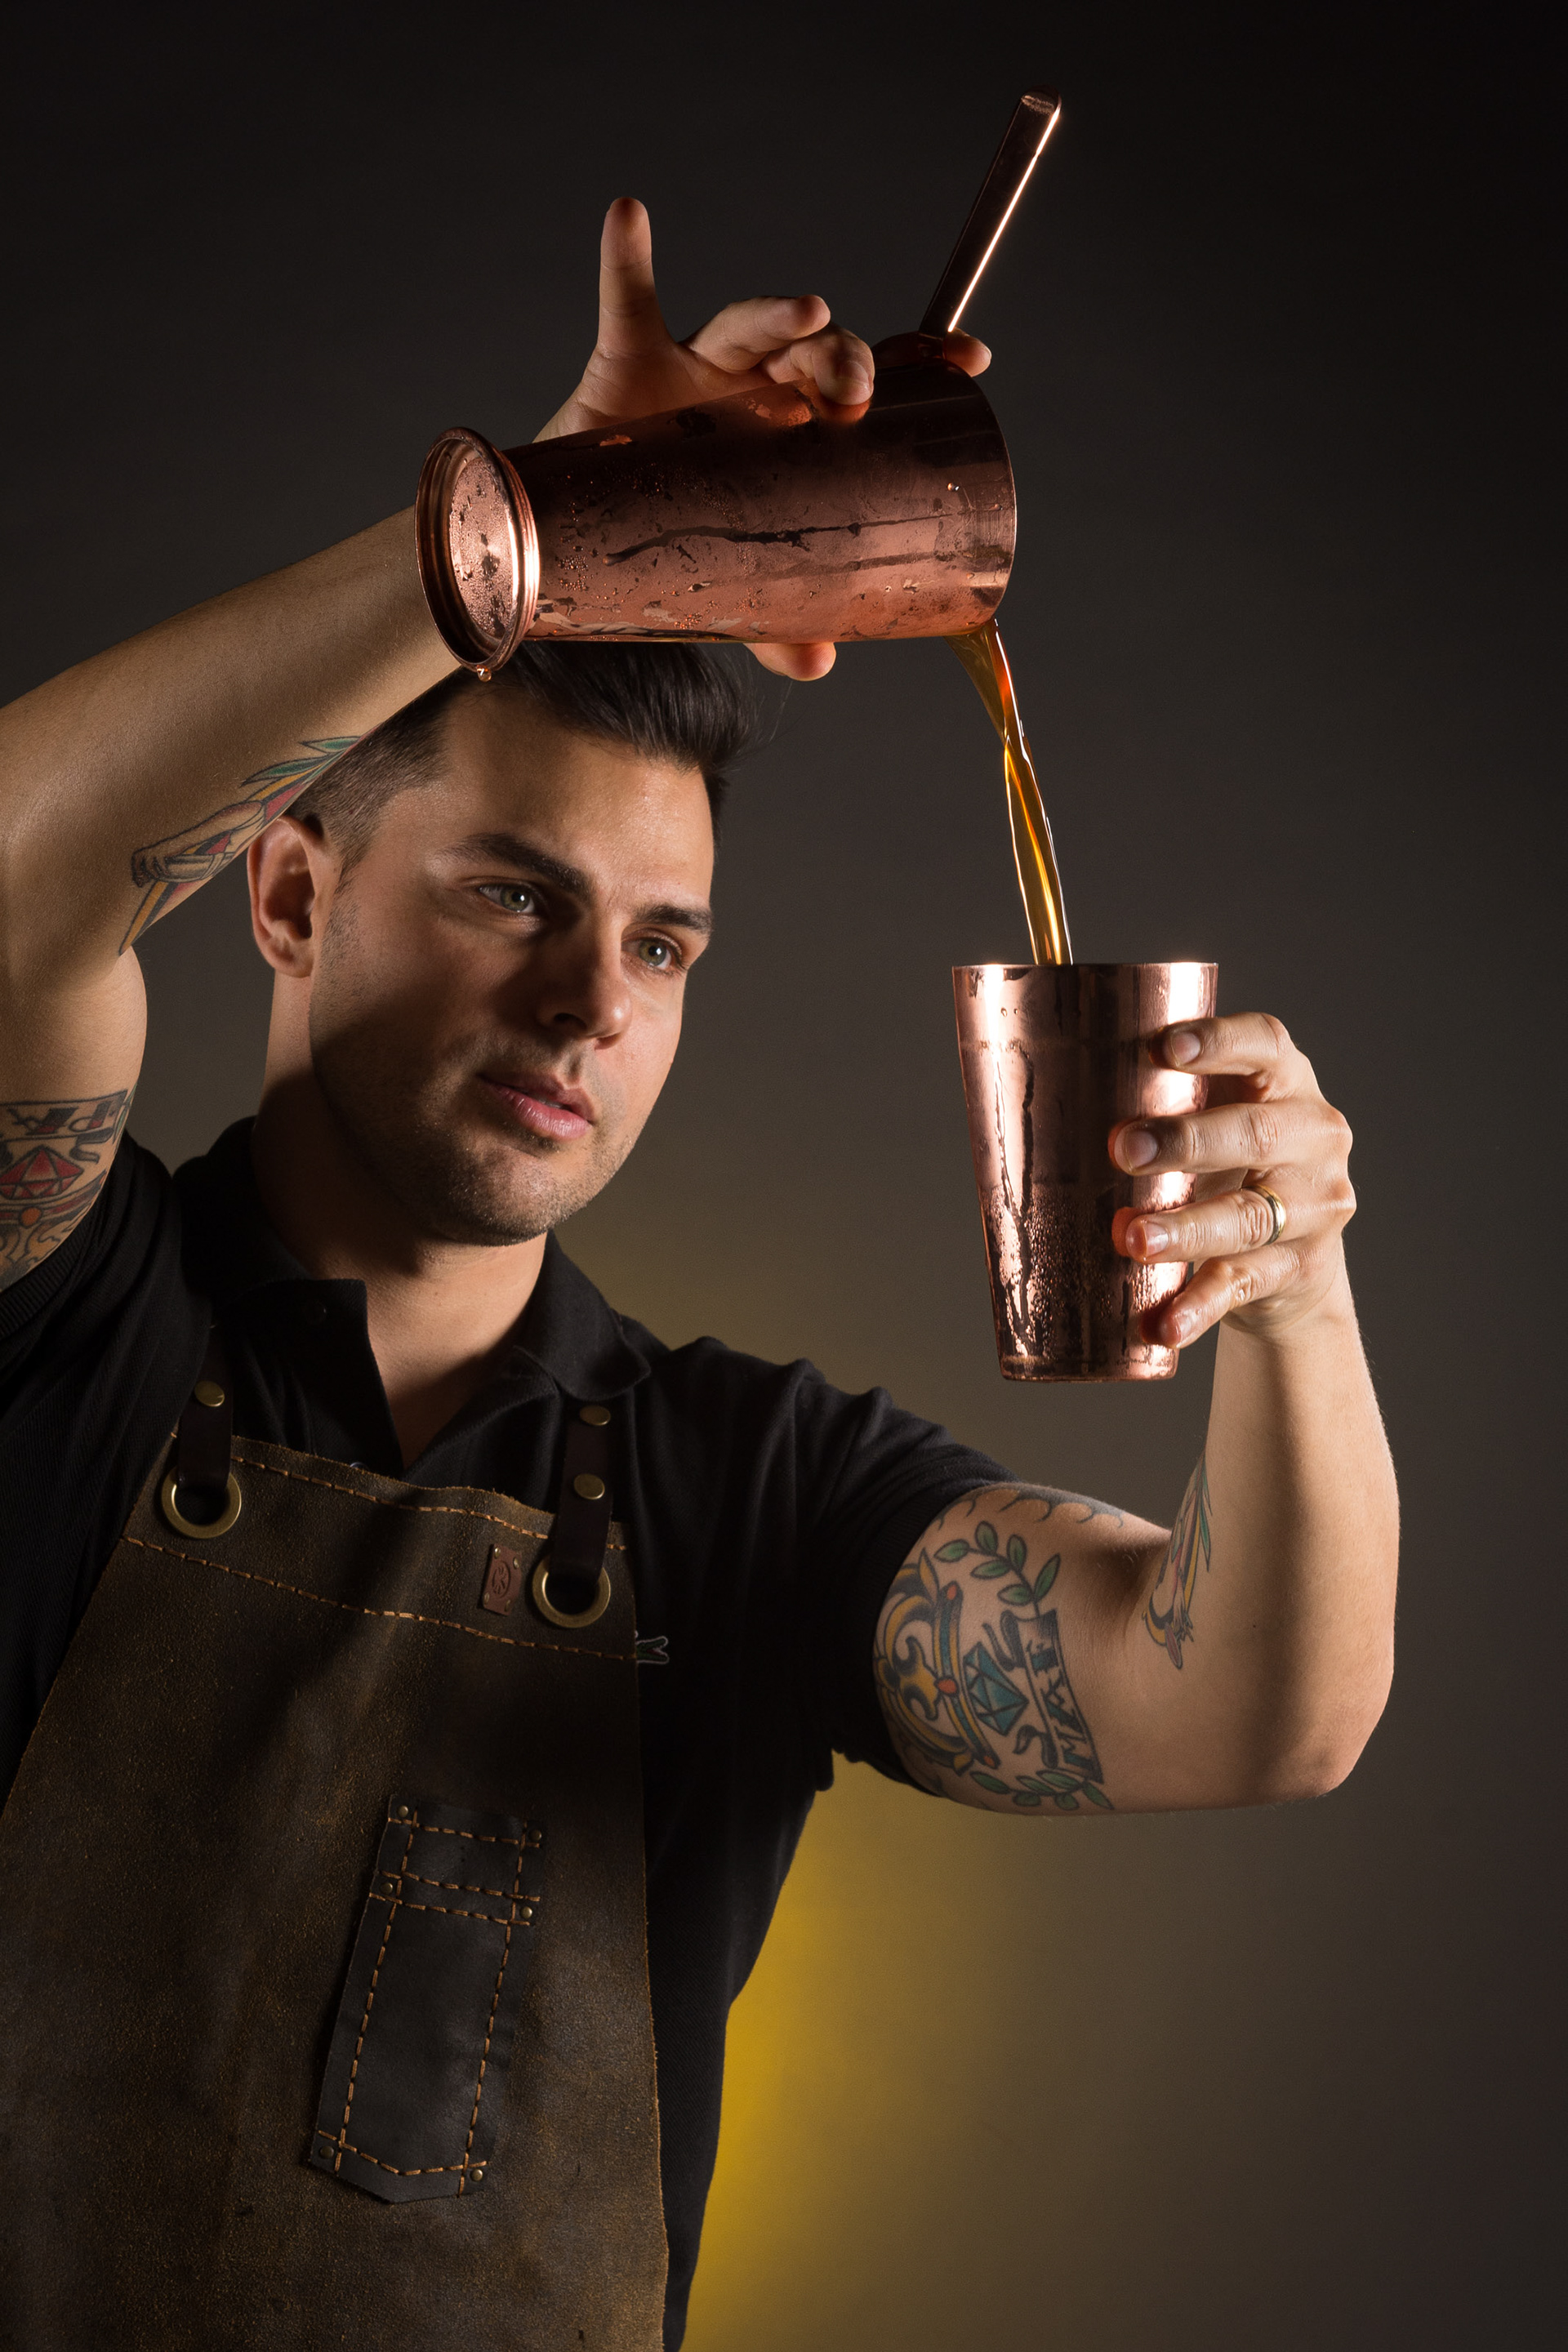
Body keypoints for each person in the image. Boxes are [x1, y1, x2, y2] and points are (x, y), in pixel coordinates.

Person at [0, 201, 1396, 2351]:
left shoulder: (746, 1491)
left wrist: (1295, 1295)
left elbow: (1251, 1707)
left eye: (662, 945)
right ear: (286, 894)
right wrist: (530, 536)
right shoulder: (70, 1309)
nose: (593, 1008)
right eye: (513, 896)